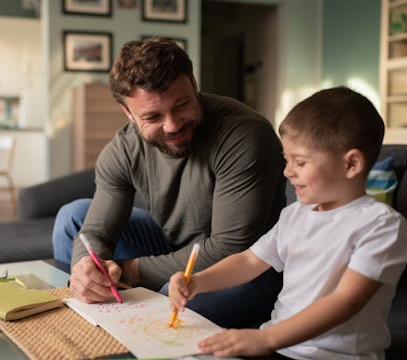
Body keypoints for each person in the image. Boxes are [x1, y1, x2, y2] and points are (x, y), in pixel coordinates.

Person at [52, 37, 286, 327]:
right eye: (153, 116)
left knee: (173, 297)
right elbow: (95, 232)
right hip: (172, 246)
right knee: (72, 218)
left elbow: (231, 247)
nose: (173, 124)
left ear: (194, 85)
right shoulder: (123, 150)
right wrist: (87, 270)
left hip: (249, 268)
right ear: (128, 113)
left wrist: (130, 272)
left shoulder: (243, 134)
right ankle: (96, 310)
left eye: (182, 105)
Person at [169, 86, 407, 359]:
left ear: (351, 164)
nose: (287, 171)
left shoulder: (381, 225)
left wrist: (264, 337)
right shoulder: (295, 214)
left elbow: (346, 301)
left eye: (300, 162)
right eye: (286, 160)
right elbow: (249, 261)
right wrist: (198, 282)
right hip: (278, 347)